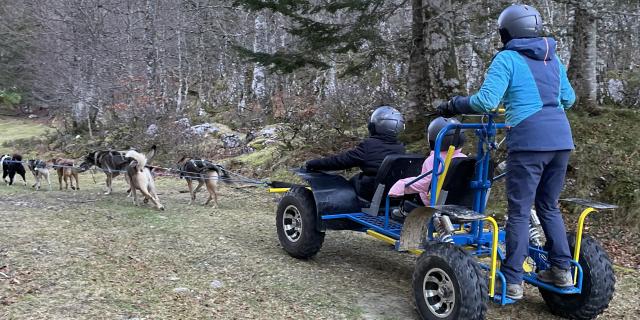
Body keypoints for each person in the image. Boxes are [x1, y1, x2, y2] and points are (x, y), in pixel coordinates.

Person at [436, 4, 576, 300]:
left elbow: (486, 101)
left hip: (529, 143)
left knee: (520, 211)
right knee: (549, 206)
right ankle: (562, 272)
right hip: (562, 141)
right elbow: (569, 98)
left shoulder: (507, 58)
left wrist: (455, 103)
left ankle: (512, 281)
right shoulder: (553, 58)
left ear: (507, 31)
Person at [305, 105, 406, 200]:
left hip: (371, 193)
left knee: (350, 181)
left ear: (374, 126)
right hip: (395, 193)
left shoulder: (369, 146)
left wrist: (313, 164)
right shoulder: (400, 148)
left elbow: (341, 161)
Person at [388, 117, 466, 205]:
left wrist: (401, 185)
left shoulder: (434, 160)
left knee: (411, 195)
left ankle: (404, 212)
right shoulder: (464, 159)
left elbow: (425, 183)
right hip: (456, 201)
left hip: (432, 203)